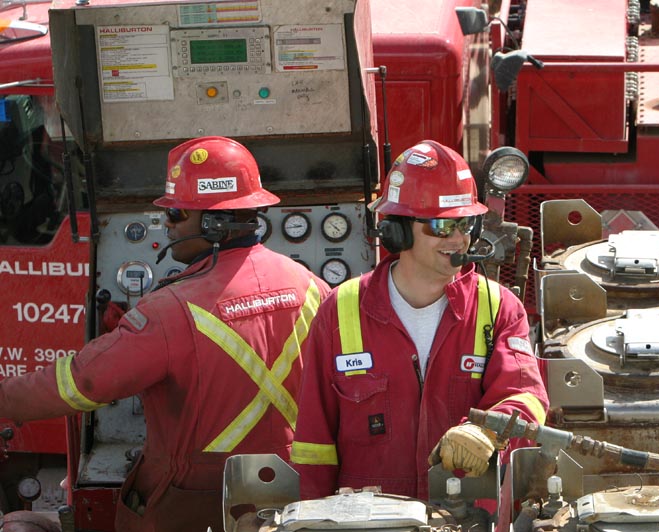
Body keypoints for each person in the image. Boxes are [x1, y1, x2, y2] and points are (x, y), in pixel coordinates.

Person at [0, 136, 330, 531]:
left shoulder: (168, 312)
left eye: (175, 213)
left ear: (214, 224)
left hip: (193, 504)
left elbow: (80, 383)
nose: (166, 225)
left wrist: (6, 398)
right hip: (299, 496)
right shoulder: (312, 286)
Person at [290, 139, 548, 500]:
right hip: (369, 521)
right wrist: (310, 516)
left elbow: (525, 397)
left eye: (465, 224)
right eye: (441, 227)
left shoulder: (497, 307)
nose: (458, 239)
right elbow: (313, 444)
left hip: (464, 515)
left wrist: (487, 432)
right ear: (396, 231)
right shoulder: (340, 310)